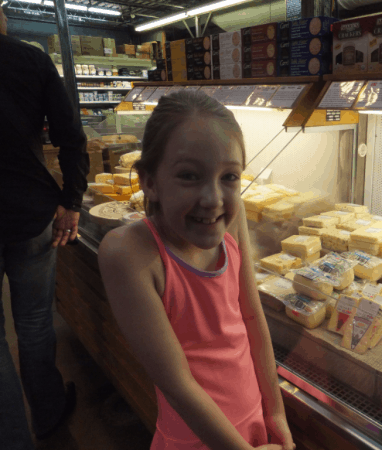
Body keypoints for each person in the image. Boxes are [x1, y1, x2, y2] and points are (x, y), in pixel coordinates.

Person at [98, 90, 295, 450]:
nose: (213, 199)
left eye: (229, 177)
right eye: (189, 176)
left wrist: (275, 411)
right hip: (197, 439)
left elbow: (252, 318)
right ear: (149, 182)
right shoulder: (129, 253)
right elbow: (178, 384)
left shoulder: (231, 225)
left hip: (253, 424)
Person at [0, 5, 88, 450]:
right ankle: (49, 415)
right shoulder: (30, 58)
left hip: (26, 211)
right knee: (34, 322)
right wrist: (72, 200)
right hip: (30, 213)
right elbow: (70, 134)